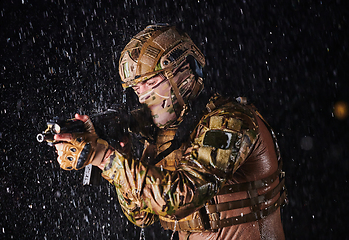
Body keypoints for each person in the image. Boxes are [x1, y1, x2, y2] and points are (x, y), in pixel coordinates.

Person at [54, 24, 287, 240]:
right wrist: (122, 157)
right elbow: (142, 216)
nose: (143, 95)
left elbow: (179, 199)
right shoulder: (167, 134)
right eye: (136, 88)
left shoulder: (230, 121)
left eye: (151, 83)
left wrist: (105, 158)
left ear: (183, 71)